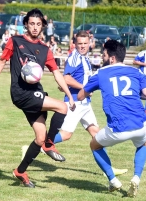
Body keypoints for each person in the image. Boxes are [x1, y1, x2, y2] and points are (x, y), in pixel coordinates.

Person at [0, 8, 75, 188]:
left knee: (39, 137)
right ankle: (50, 144)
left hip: (35, 93)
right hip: (21, 93)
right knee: (61, 108)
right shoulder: (15, 41)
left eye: (38, 24)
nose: (35, 27)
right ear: (26, 24)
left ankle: (21, 171)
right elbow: (1, 62)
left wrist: (70, 95)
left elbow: (57, 73)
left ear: (43, 26)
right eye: (31, 23)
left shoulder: (45, 49)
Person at [77, 40, 146, 198]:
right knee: (142, 143)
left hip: (118, 128)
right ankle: (136, 177)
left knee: (95, 145)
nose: (102, 57)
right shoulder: (136, 72)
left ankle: (113, 180)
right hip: (140, 124)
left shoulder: (101, 73)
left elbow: (80, 95)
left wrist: (90, 91)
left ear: (111, 58)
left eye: (104, 54)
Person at [52, 31, 127, 176]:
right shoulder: (75, 57)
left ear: (90, 43)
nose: (82, 46)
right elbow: (66, 78)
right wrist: (84, 88)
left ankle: (109, 170)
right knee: (66, 135)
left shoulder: (85, 58)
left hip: (85, 103)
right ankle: (38, 145)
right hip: (75, 102)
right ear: (75, 44)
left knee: (97, 135)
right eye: (79, 43)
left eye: (85, 43)